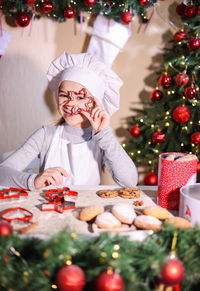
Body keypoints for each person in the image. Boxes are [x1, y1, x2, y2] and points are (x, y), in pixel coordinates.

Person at [0, 52, 138, 190]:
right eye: (64, 95)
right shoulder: (45, 136)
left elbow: (130, 182)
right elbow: (2, 172)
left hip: (85, 209)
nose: (69, 104)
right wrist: (33, 180)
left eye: (80, 98)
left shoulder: (102, 140)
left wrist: (104, 135)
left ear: (97, 103)